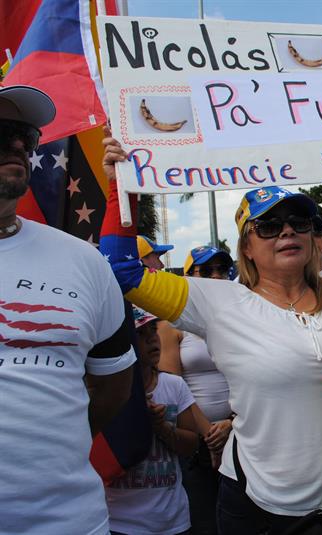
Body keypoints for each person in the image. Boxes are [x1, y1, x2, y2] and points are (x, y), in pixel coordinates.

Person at [101, 129, 322, 534]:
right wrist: (120, 187)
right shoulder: (217, 301)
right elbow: (122, 271)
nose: (286, 232)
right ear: (247, 247)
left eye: (297, 222)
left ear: (311, 233)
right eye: (268, 226)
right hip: (254, 506)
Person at [0, 85, 135, 534]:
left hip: (71, 523)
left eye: (26, 136)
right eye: (4, 133)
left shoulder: (83, 260)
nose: (19, 145)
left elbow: (113, 386)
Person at [159, 245, 235, 535]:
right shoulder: (172, 324)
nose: (216, 276)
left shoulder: (240, 320)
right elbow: (170, 388)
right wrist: (209, 433)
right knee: (204, 521)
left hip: (240, 433)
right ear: (188, 277)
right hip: (196, 442)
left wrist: (232, 424)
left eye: (222, 269)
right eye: (206, 270)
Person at [106, 307, 198, 535]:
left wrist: (162, 428)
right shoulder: (106, 391)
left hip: (171, 522)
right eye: (140, 333)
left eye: (153, 330)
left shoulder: (174, 385)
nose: (151, 339)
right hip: (118, 523)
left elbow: (191, 445)